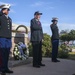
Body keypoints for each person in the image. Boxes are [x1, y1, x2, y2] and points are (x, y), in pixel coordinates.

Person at [0, 4, 13, 74]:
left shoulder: (9, 18)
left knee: (7, 53)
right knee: (2, 53)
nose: (8, 11)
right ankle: (2, 69)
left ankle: (6, 68)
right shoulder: (1, 16)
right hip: (2, 37)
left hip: (8, 38)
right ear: (4, 10)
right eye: (7, 9)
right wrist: (1, 12)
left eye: (8, 10)